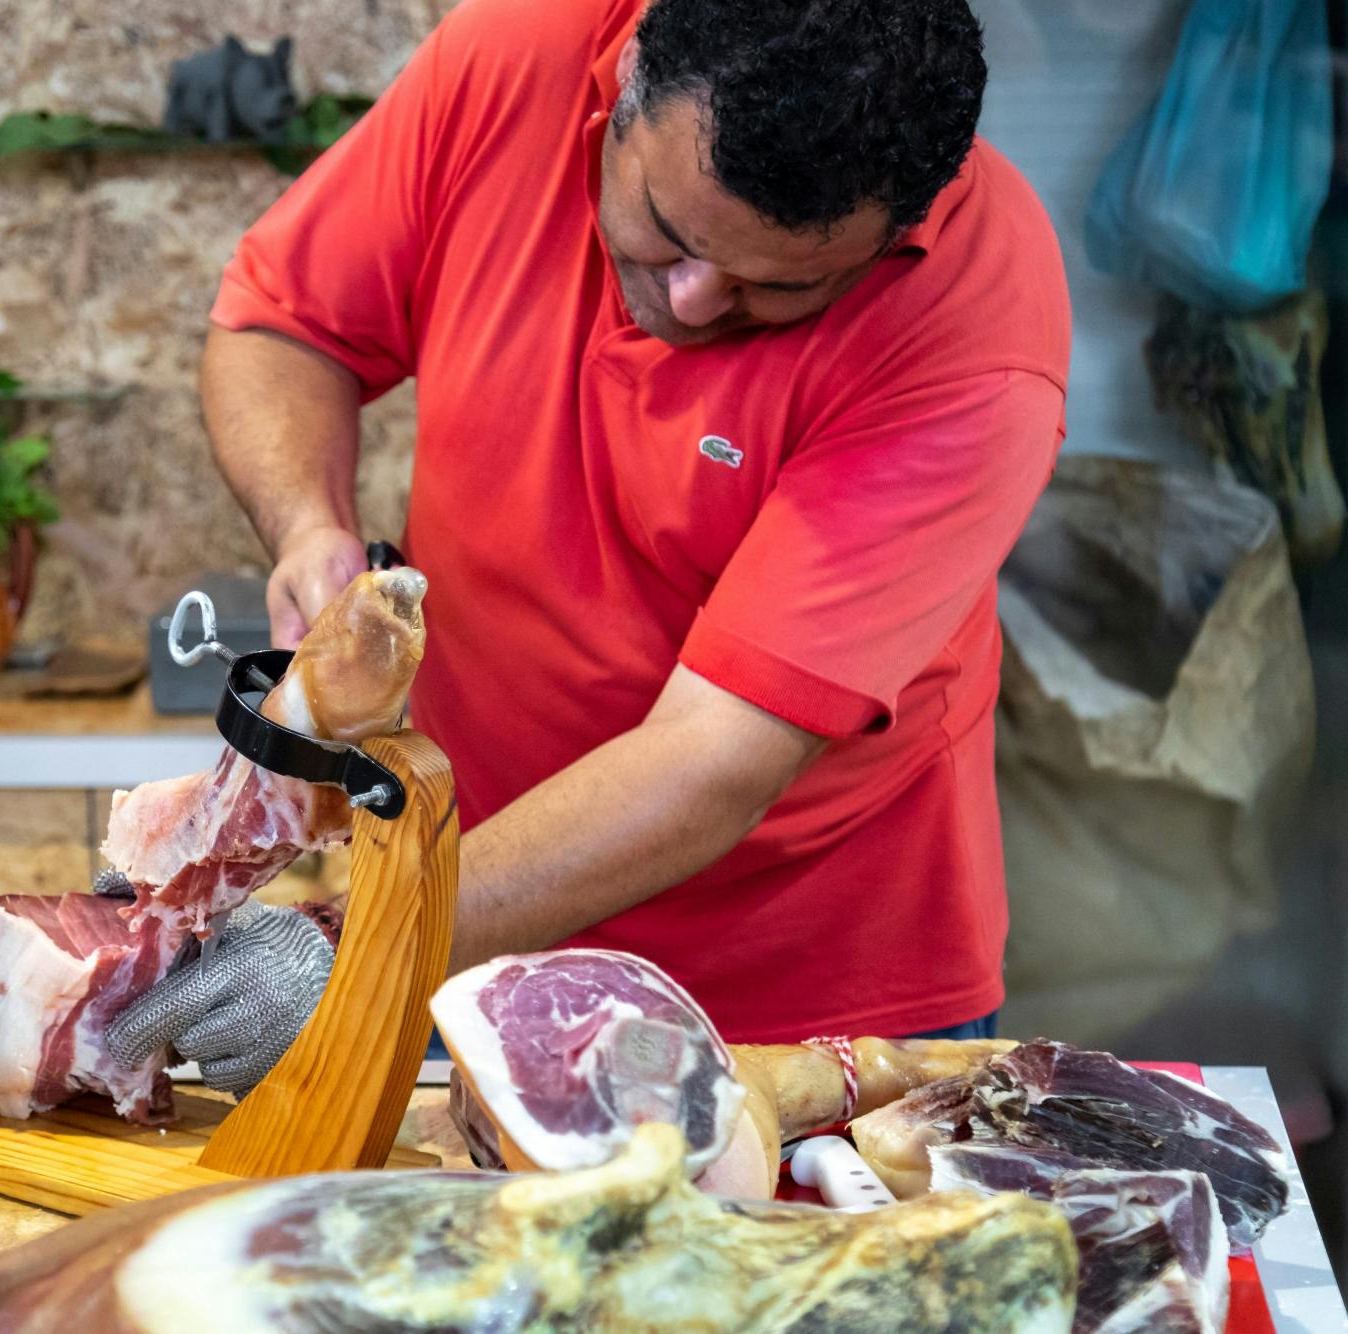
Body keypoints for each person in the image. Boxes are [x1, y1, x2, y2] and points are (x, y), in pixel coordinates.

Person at [108, 0, 1071, 1093]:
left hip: (808, 1004)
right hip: (467, 924)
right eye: (666, 225)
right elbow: (285, 322)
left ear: (898, 224)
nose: (696, 297)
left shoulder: (971, 331)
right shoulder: (514, 54)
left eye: (780, 285)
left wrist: (346, 947)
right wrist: (308, 524)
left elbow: (711, 758)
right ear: (621, 93)